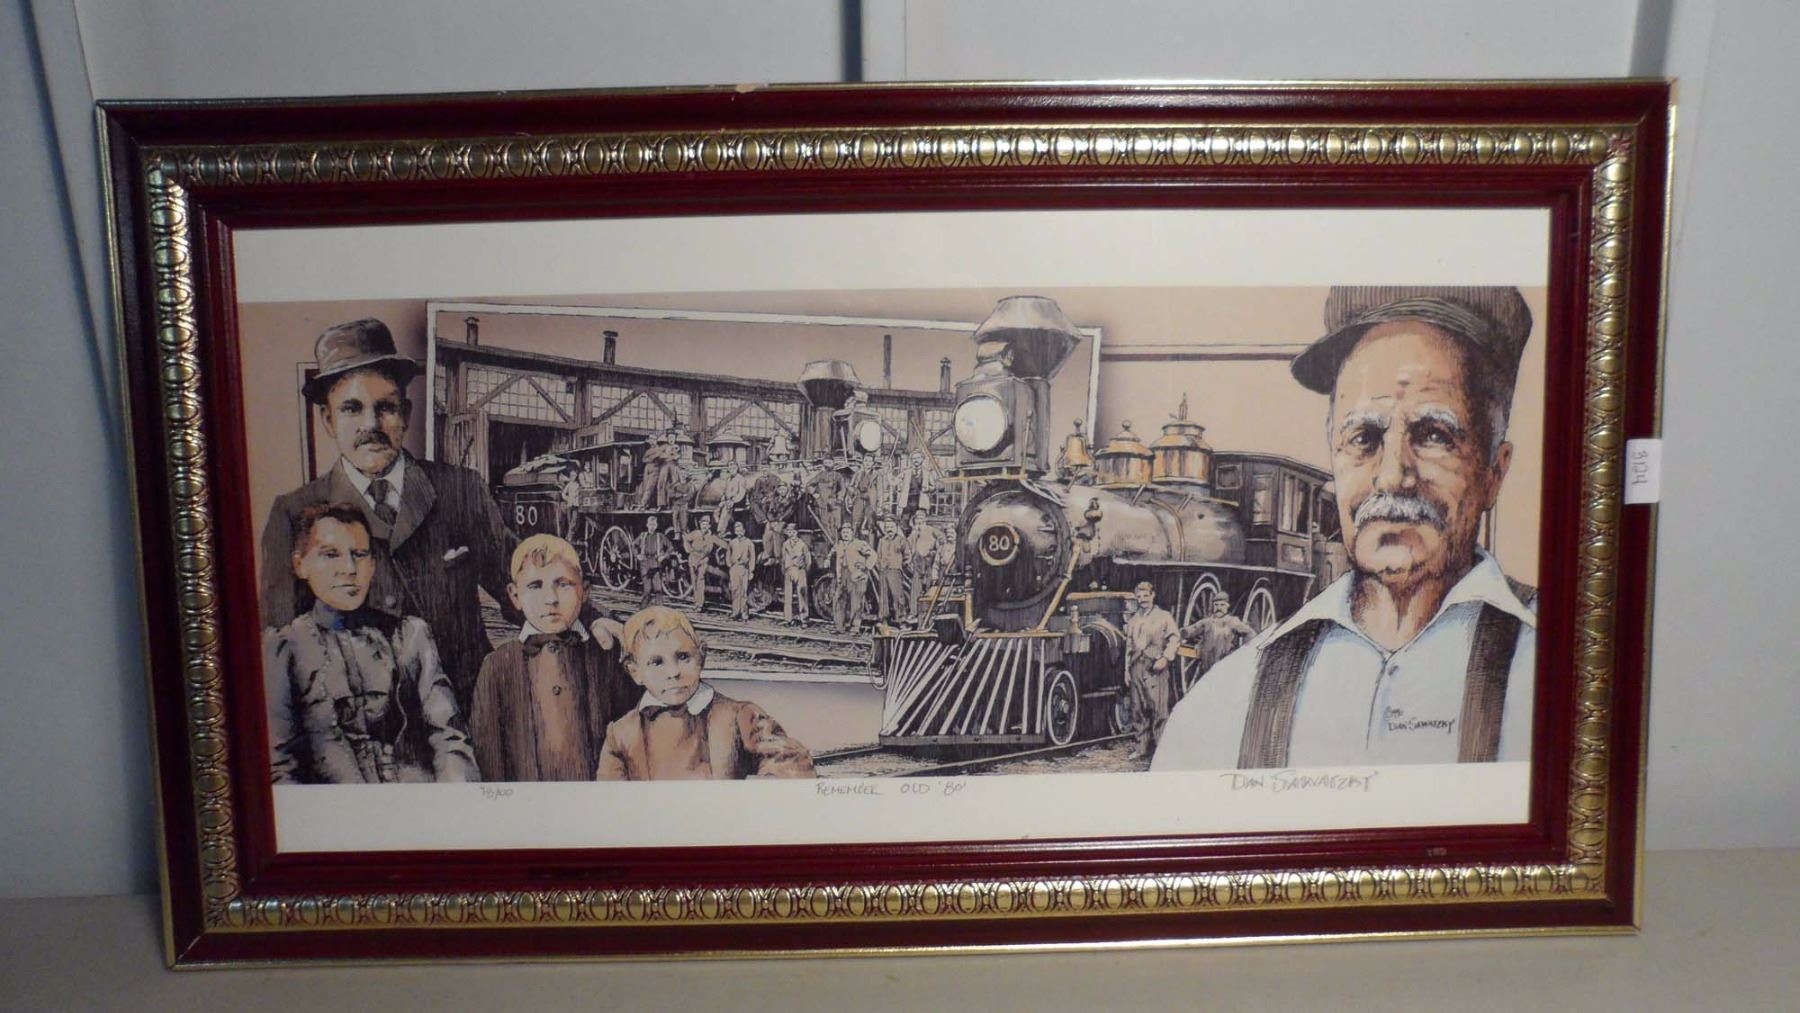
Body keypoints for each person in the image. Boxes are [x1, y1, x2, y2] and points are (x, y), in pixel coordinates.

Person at [1155, 286, 1538, 770]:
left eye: (1433, 435)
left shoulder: (1566, 671)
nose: (1392, 476)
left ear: (1494, 473)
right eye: (1364, 438)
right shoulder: (1221, 707)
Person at [259, 319, 520, 717]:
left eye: (385, 407)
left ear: (406, 413)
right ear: (328, 420)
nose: (371, 425)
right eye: (352, 409)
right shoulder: (293, 512)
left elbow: (520, 579)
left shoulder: (461, 489)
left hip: (470, 718)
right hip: (360, 736)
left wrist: (591, 619)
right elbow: (280, 650)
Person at [263, 504, 478, 784]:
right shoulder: (285, 648)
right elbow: (278, 768)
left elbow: (451, 738)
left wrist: (452, 799)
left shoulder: (409, 636)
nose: (349, 569)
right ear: (300, 564)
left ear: (373, 565)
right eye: (331, 555)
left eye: (360, 555)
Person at [468, 534, 635, 781]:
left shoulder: (605, 658)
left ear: (584, 591)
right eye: (535, 586)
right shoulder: (496, 666)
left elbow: (630, 737)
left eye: (564, 584)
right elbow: (488, 751)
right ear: (515, 596)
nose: (551, 599)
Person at [596, 607, 815, 780]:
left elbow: (790, 760)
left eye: (683, 657)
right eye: (657, 662)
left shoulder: (739, 715)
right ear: (635, 672)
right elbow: (609, 799)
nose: (673, 672)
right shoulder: (621, 734)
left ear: (702, 656)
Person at [1123, 581, 1181, 761]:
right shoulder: (1133, 620)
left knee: (1159, 709)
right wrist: (1126, 670)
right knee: (1138, 709)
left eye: (1145, 595)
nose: (1142, 599)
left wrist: (1165, 658)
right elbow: (1129, 646)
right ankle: (1141, 748)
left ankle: (1161, 749)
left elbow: (1174, 638)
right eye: (1139, 596)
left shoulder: (1164, 616)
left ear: (1153, 595)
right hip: (1136, 666)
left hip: (1155, 666)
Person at [1179, 594, 1255, 683]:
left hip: (1225, 666)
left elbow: (1250, 633)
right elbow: (1191, 630)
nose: (1219, 608)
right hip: (1207, 666)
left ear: (1227, 606)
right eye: (1216, 605)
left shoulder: (1233, 621)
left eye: (1222, 605)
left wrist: (1244, 651)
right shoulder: (1207, 622)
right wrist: (1181, 633)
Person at [827, 522, 876, 633]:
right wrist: (827, 559)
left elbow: (873, 555)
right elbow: (831, 553)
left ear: (852, 533)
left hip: (856, 575)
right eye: (843, 532)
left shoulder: (859, 544)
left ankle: (855, 627)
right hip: (842, 575)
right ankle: (839, 627)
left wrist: (865, 566)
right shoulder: (839, 544)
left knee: (856, 602)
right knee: (839, 599)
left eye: (847, 532)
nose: (845, 534)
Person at [903, 511, 946, 619]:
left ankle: (929, 612)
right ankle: (914, 612)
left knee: (929, 586)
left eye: (921, 518)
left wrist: (935, 550)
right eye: (917, 518)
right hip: (917, 562)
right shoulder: (913, 533)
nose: (919, 520)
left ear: (925, 519)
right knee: (916, 588)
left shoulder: (931, 530)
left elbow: (942, 538)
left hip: (929, 561)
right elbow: (907, 545)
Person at [682, 514, 724, 612]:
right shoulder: (695, 533)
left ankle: (700, 604)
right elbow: (685, 538)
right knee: (694, 581)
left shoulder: (712, 537)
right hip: (693, 559)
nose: (704, 526)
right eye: (702, 524)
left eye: (706, 524)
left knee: (700, 580)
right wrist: (688, 549)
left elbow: (723, 544)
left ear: (709, 526)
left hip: (703, 560)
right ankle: (696, 602)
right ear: (700, 525)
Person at [873, 515, 909, 623]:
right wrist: (880, 566)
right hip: (883, 571)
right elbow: (878, 556)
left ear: (896, 527)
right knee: (883, 596)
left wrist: (901, 566)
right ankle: (884, 618)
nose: (889, 529)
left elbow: (907, 556)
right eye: (887, 527)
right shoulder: (881, 541)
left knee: (897, 595)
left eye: (891, 527)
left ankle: (900, 619)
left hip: (895, 571)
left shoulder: (901, 540)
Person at [634, 515, 671, 607]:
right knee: (647, 590)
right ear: (647, 525)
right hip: (645, 564)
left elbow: (670, 547)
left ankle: (660, 609)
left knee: (658, 589)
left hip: (656, 564)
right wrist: (637, 555)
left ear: (656, 526)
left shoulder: (660, 536)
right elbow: (634, 545)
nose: (652, 527)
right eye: (650, 524)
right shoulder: (642, 536)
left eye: (654, 524)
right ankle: (643, 609)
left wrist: (664, 556)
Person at [726, 520, 758, 621]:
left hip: (744, 569)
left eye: (741, 530)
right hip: (734, 568)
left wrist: (751, 571)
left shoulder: (749, 543)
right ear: (735, 531)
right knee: (735, 590)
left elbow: (752, 557)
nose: (739, 532)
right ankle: (735, 612)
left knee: (744, 591)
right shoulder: (732, 542)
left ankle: (744, 613)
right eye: (737, 530)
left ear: (744, 531)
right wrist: (729, 564)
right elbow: (728, 554)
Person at [780, 523, 812, 625]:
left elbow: (808, 559)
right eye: (789, 531)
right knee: (788, 595)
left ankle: (804, 619)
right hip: (789, 570)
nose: (791, 533)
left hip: (799, 570)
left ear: (796, 532)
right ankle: (788, 619)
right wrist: (784, 570)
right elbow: (783, 558)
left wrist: (804, 570)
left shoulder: (802, 544)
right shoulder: (785, 544)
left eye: (793, 531)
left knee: (802, 595)